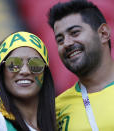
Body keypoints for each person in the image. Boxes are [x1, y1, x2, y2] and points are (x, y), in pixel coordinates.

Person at [48, 0, 114, 130]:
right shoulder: (58, 109)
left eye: (75, 32)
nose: (66, 43)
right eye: (60, 40)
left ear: (103, 34)